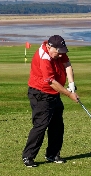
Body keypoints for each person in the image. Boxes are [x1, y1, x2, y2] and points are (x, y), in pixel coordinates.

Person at [22, 35, 79, 167]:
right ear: (49, 47)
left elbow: (67, 64)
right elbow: (51, 82)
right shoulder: (45, 57)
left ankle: (52, 154)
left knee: (57, 125)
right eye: (58, 53)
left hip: (53, 93)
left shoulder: (57, 51)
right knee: (41, 125)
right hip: (40, 93)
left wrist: (71, 84)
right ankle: (28, 156)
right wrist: (69, 94)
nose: (60, 55)